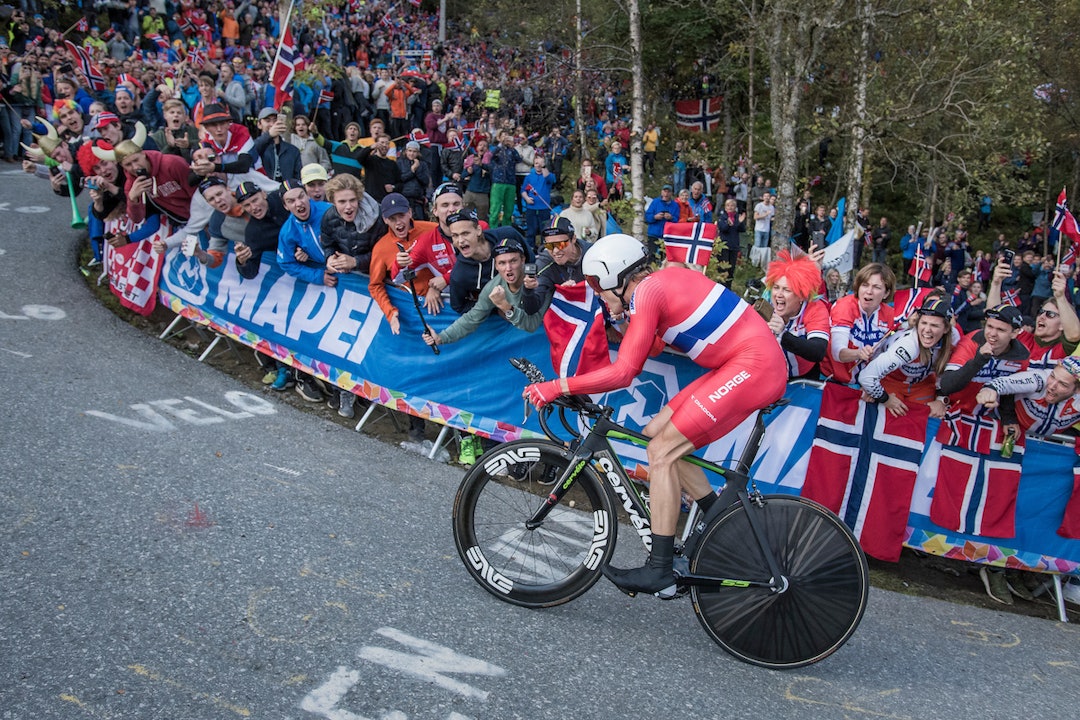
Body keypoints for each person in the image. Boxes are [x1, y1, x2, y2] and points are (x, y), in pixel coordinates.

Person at [522, 234, 787, 595]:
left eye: (598, 284)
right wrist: (622, 316)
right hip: (741, 363)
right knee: (655, 433)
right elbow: (657, 344)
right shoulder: (655, 286)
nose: (596, 293)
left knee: (662, 452)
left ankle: (659, 568)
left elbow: (623, 372)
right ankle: (718, 519)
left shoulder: (648, 292)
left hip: (753, 366)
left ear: (616, 276)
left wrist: (557, 386)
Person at [764, 249, 829, 380]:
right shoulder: (765, 305)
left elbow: (818, 351)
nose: (779, 294)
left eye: (787, 290)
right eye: (776, 288)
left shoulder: (815, 308)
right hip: (769, 375)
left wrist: (783, 335)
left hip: (804, 376)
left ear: (801, 296)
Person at [715, 198, 746, 286]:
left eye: (732, 205)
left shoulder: (737, 217)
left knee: (731, 269)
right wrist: (728, 224)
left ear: (735, 207)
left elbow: (742, 229)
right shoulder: (722, 217)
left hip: (734, 246)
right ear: (725, 207)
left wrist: (740, 222)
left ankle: (729, 287)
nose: (730, 207)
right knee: (723, 268)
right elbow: (722, 228)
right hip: (723, 246)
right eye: (728, 205)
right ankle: (721, 287)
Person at [644, 184, 679, 261]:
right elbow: (647, 217)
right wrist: (655, 217)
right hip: (654, 234)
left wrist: (671, 218)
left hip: (667, 236)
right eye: (664, 191)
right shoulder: (655, 202)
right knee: (652, 256)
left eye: (668, 192)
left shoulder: (675, 205)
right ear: (661, 192)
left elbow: (677, 220)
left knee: (664, 258)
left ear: (671, 193)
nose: (666, 194)